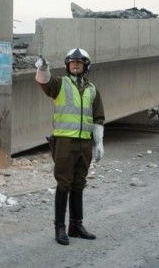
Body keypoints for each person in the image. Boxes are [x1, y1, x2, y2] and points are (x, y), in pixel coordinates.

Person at [35, 48, 105, 245]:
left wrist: (98, 143)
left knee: (78, 184)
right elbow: (45, 83)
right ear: (67, 65)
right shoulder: (60, 84)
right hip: (64, 141)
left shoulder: (92, 89)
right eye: (72, 62)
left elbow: (98, 118)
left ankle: (76, 226)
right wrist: (43, 69)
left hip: (84, 143)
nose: (75, 65)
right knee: (64, 184)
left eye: (79, 63)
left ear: (85, 66)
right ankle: (60, 228)